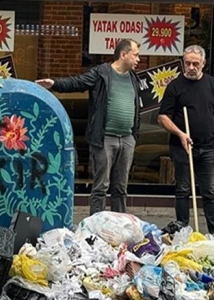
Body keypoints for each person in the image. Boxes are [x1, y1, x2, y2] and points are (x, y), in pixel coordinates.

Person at [36, 39, 141, 215]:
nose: (138, 59)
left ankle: (120, 226)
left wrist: (134, 134)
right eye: (136, 54)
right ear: (124, 54)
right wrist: (54, 84)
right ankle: (96, 227)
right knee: (101, 186)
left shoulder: (133, 78)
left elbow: (136, 107)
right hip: (105, 138)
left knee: (121, 188)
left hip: (127, 138)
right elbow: (78, 82)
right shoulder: (102, 73)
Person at [157, 45, 214, 237]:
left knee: (210, 192)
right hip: (182, 147)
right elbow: (163, 117)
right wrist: (180, 133)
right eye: (187, 63)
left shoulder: (213, 85)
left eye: (195, 63)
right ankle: (182, 228)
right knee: (182, 189)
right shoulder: (175, 86)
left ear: (203, 64)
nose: (190, 67)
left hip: (208, 148)